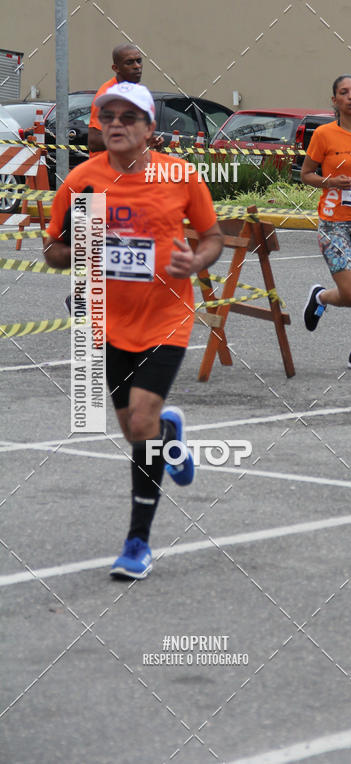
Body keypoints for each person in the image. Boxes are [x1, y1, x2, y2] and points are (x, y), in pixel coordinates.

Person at [44, 82, 224, 578]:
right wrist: (80, 251)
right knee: (135, 430)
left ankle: (137, 543)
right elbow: (53, 251)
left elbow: (211, 238)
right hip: (106, 320)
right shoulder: (82, 181)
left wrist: (197, 260)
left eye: (129, 116)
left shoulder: (180, 176)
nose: (117, 123)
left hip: (167, 317)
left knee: (139, 422)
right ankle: (169, 433)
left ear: (149, 129)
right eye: (109, 116)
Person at [301, 75, 351, 373]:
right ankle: (320, 296)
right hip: (334, 223)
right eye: (344, 93)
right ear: (334, 101)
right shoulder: (324, 134)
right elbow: (305, 174)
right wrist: (329, 181)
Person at [87, 44, 144, 155]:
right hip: (106, 169)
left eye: (139, 61)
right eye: (129, 62)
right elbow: (94, 142)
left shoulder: (137, 92)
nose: (137, 66)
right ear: (116, 68)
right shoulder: (107, 96)